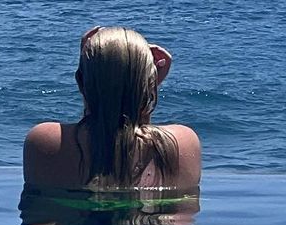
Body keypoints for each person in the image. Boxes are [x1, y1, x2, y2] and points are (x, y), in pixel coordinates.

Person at [23, 26, 201, 190]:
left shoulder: (42, 143)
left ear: (81, 83)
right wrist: (145, 96)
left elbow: (95, 133)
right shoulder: (183, 144)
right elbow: (136, 136)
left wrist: (90, 75)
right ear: (149, 87)